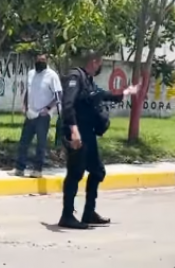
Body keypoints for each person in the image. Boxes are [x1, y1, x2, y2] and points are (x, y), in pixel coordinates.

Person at [59, 50, 140, 229]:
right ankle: (66, 216)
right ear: (94, 62)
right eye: (100, 62)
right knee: (75, 173)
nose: (101, 66)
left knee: (97, 172)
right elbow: (67, 104)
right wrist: (73, 130)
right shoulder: (75, 76)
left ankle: (89, 213)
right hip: (77, 134)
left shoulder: (88, 80)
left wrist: (126, 92)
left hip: (88, 134)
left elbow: (101, 95)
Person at [14, 53, 62, 178]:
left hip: (43, 115)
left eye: (42, 60)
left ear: (46, 61)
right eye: (38, 59)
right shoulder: (31, 74)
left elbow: (58, 95)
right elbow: (28, 91)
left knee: (40, 143)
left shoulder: (52, 76)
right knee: (24, 141)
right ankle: (20, 168)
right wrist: (24, 105)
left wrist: (48, 108)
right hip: (30, 113)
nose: (40, 62)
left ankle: (37, 170)